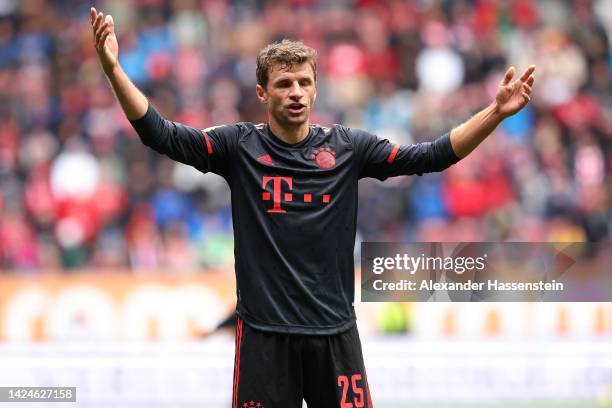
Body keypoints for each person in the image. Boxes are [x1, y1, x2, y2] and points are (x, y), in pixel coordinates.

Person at [90, 7, 535, 407]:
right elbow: (160, 134)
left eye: (305, 82)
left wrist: (494, 113)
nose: (296, 92)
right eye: (284, 84)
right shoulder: (237, 146)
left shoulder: (349, 148)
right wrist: (113, 70)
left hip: (334, 334)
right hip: (265, 336)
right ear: (263, 93)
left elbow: (431, 156)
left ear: (317, 89)